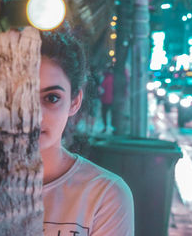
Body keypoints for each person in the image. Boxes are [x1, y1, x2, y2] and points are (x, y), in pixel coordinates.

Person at [39, 26, 134, 236]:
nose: (35, 114)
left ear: (75, 102)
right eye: (22, 95)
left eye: (51, 98)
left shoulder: (104, 194)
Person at [99, 66, 114, 133]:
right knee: (112, 114)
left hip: (105, 99)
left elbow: (101, 89)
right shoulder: (114, 78)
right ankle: (112, 126)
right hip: (112, 100)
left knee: (104, 114)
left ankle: (105, 127)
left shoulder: (106, 79)